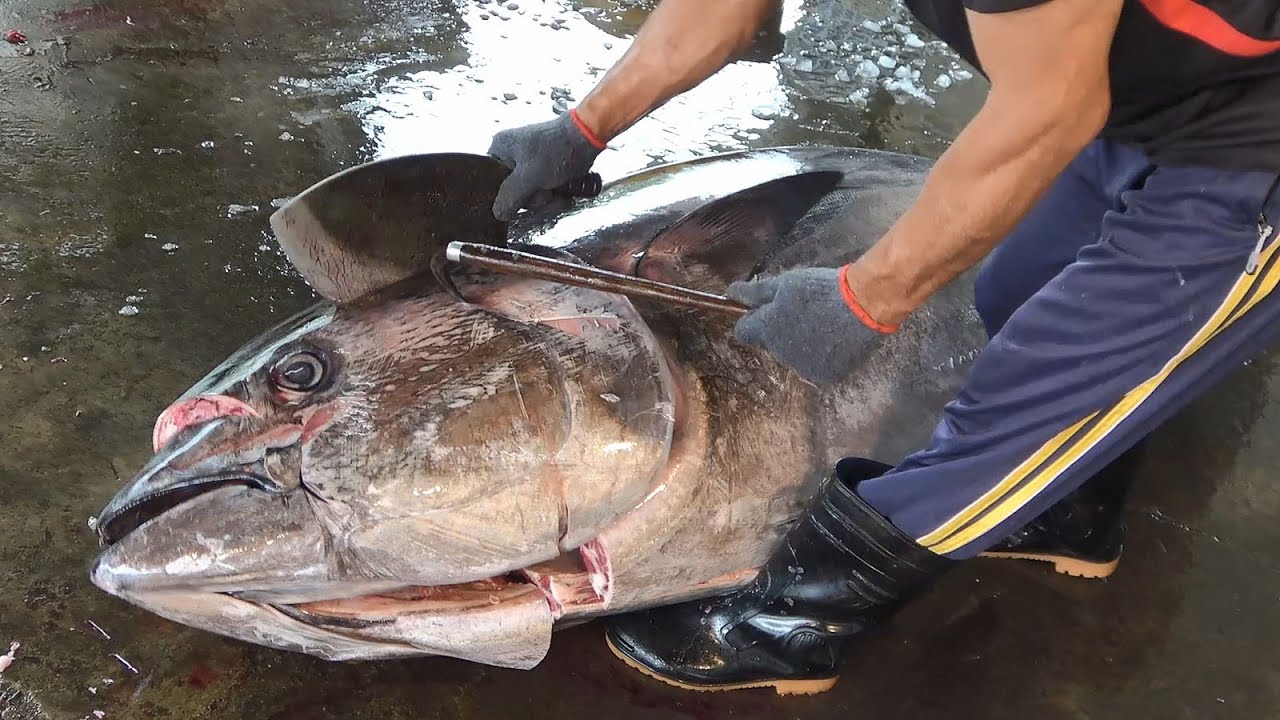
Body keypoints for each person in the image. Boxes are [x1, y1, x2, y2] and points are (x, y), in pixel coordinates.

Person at [488, 0, 1280, 696]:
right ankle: (1070, 517)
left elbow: (1048, 112)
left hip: (1256, 148)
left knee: (1027, 403)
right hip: (1155, 99)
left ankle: (797, 622)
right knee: (1015, 296)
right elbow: (717, 9)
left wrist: (862, 298)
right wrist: (581, 128)